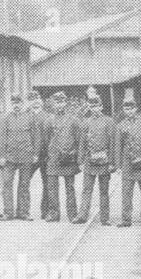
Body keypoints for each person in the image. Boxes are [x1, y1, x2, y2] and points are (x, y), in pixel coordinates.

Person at [115, 93, 141, 227]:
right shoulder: (120, 126)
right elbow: (118, 146)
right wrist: (118, 165)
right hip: (127, 164)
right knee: (126, 193)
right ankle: (126, 219)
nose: (129, 111)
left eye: (131, 108)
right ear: (123, 110)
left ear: (136, 108)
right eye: (126, 109)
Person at [77, 93, 115, 225]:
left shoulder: (109, 122)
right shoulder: (86, 122)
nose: (94, 109)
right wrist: (80, 161)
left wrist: (112, 162)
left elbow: (113, 143)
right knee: (87, 189)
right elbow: (82, 142)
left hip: (105, 161)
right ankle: (82, 215)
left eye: (97, 106)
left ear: (101, 106)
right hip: (89, 160)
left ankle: (105, 218)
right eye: (92, 106)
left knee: (104, 191)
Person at [0, 95, 37, 220]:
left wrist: (35, 153)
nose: (16, 105)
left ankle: (23, 212)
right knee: (6, 183)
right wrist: (2, 155)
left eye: (18, 103)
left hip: (26, 156)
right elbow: (2, 138)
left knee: (24, 184)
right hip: (10, 157)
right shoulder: (6, 118)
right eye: (13, 102)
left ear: (22, 104)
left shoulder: (30, 117)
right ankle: (8, 212)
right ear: (11, 104)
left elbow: (36, 137)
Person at [47, 93, 83, 223]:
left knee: (70, 187)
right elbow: (47, 139)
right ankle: (53, 214)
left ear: (65, 103)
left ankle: (72, 214)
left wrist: (77, 157)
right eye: (57, 102)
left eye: (62, 102)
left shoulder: (73, 120)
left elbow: (79, 140)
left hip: (69, 158)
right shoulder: (49, 120)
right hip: (53, 158)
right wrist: (52, 151)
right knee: (52, 188)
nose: (59, 105)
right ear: (53, 104)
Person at [31, 91, 54, 219]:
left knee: (47, 183)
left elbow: (52, 136)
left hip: (45, 155)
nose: (35, 101)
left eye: (38, 98)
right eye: (32, 99)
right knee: (23, 183)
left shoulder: (48, 117)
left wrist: (50, 153)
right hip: (29, 155)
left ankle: (45, 211)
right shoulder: (25, 116)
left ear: (41, 101)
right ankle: (23, 211)